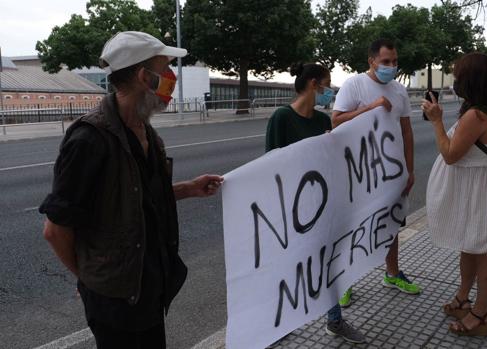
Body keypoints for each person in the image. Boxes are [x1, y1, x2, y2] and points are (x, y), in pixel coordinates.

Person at [39, 31, 224, 348]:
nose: (172, 78)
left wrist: (189, 189)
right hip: (114, 302)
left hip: (148, 289)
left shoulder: (146, 132)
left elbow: (138, 197)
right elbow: (55, 230)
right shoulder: (88, 140)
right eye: (165, 69)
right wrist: (89, 280)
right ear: (144, 77)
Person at [265, 63, 366, 344]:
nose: (329, 91)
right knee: (289, 267)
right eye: (326, 84)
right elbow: (270, 164)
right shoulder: (282, 118)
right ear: (313, 84)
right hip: (292, 209)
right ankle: (278, 324)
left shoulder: (323, 122)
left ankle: (335, 320)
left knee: (328, 262)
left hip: (321, 205)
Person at [422, 52, 487, 336]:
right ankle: (464, 298)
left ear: (469, 79)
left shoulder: (477, 115)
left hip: (480, 194)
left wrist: (437, 121)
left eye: (458, 74)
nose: (454, 79)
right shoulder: (485, 109)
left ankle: (481, 313)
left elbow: (450, 154)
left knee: (484, 249)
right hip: (477, 191)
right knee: (470, 245)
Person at [331, 38, 421, 308]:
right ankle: (344, 282)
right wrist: (371, 107)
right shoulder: (354, 84)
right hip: (359, 173)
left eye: (394, 62)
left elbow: (406, 131)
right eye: (386, 62)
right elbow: (335, 120)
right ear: (371, 61)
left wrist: (409, 169)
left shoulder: (399, 91)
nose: (391, 67)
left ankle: (392, 274)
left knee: (391, 224)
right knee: (354, 226)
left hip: (391, 172)